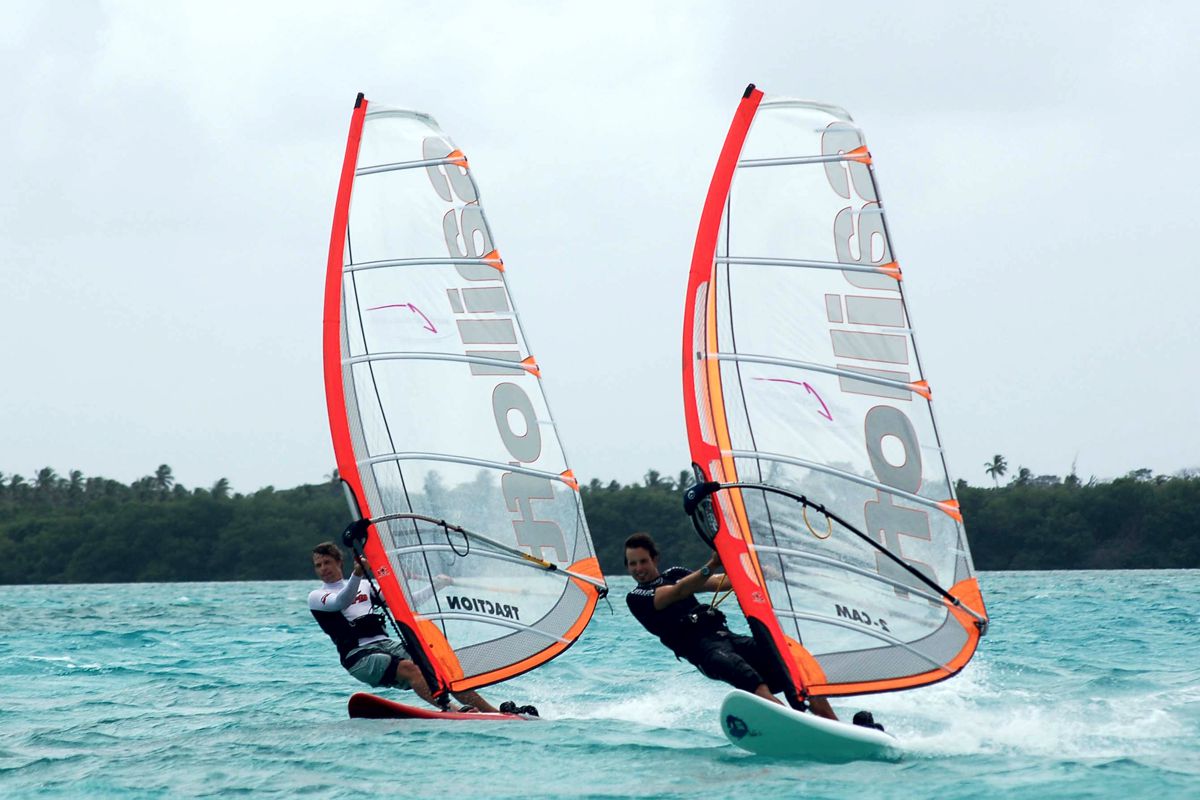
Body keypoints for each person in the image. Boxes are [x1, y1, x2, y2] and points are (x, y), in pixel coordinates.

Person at [624, 532, 842, 721]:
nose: (638, 568)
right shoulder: (636, 597)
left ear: (655, 559)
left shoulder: (675, 573)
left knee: (791, 667)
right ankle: (798, 725)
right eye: (633, 564)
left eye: (643, 561)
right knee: (751, 681)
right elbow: (678, 592)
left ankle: (835, 724)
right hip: (706, 652)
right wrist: (711, 565)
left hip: (727, 636)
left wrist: (758, 573)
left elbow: (718, 581)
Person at [308, 541, 536, 715]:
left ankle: (492, 712)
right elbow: (341, 602)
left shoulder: (367, 586)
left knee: (440, 667)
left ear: (339, 562)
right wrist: (358, 574)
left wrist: (437, 585)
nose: (323, 568)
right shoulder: (318, 596)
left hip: (386, 645)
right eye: (318, 565)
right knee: (410, 668)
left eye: (327, 562)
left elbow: (406, 602)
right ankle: (452, 710)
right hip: (358, 657)